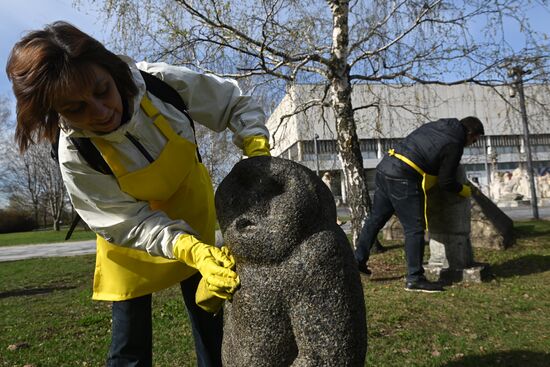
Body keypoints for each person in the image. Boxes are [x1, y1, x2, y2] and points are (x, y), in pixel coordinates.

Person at [6, 21, 270, 366]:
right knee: (129, 342)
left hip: (192, 208)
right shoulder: (75, 154)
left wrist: (257, 149)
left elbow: (231, 103)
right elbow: (125, 221)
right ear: (55, 112)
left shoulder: (160, 85)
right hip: (132, 233)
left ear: (111, 71)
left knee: (213, 324)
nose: (100, 113)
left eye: (102, 90)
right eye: (75, 109)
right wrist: (187, 248)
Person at [355, 117, 484, 292]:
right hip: (403, 176)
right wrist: (464, 191)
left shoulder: (439, 125)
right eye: (474, 140)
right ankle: (415, 278)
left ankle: (357, 261)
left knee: (376, 219)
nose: (472, 143)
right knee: (414, 228)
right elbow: (446, 181)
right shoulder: (455, 143)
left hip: (386, 166)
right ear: (470, 133)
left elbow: (427, 153)